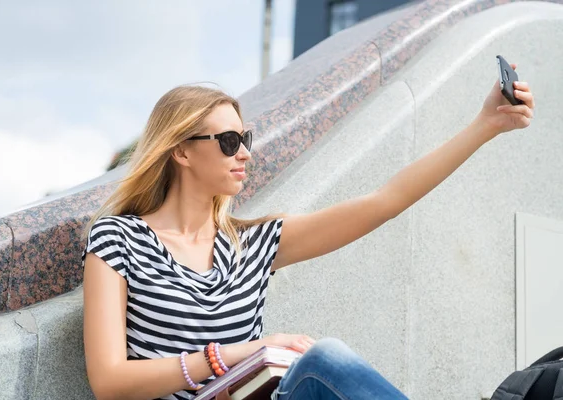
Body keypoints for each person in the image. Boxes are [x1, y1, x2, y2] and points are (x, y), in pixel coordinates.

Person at [81, 64, 535, 400]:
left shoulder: (251, 245)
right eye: (228, 142)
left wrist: (485, 126)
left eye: (246, 140)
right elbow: (109, 381)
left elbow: (383, 203)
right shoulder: (118, 240)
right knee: (325, 360)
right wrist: (237, 354)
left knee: (321, 363)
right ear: (181, 151)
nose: (244, 154)